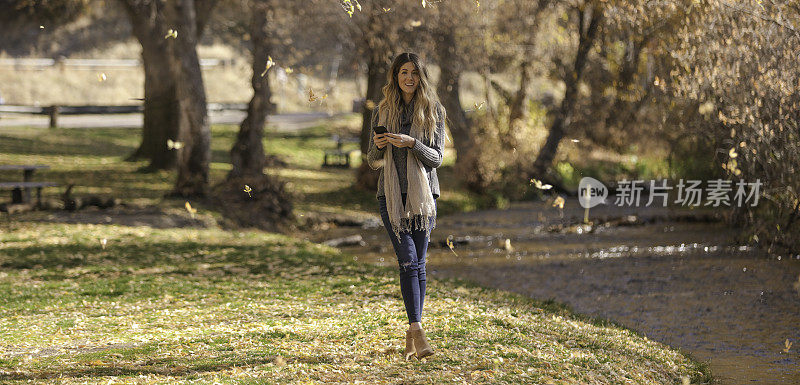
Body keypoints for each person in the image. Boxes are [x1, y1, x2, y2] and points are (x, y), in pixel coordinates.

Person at [366, 52, 448, 361]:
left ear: (421, 76)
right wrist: (380, 146)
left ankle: (413, 335)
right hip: (390, 197)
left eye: (414, 72)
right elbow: (372, 160)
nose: (409, 77)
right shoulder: (383, 110)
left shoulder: (433, 110)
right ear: (395, 76)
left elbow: (437, 158)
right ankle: (418, 332)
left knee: (418, 264)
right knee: (408, 260)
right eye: (403, 72)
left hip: (424, 198)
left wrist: (412, 143)